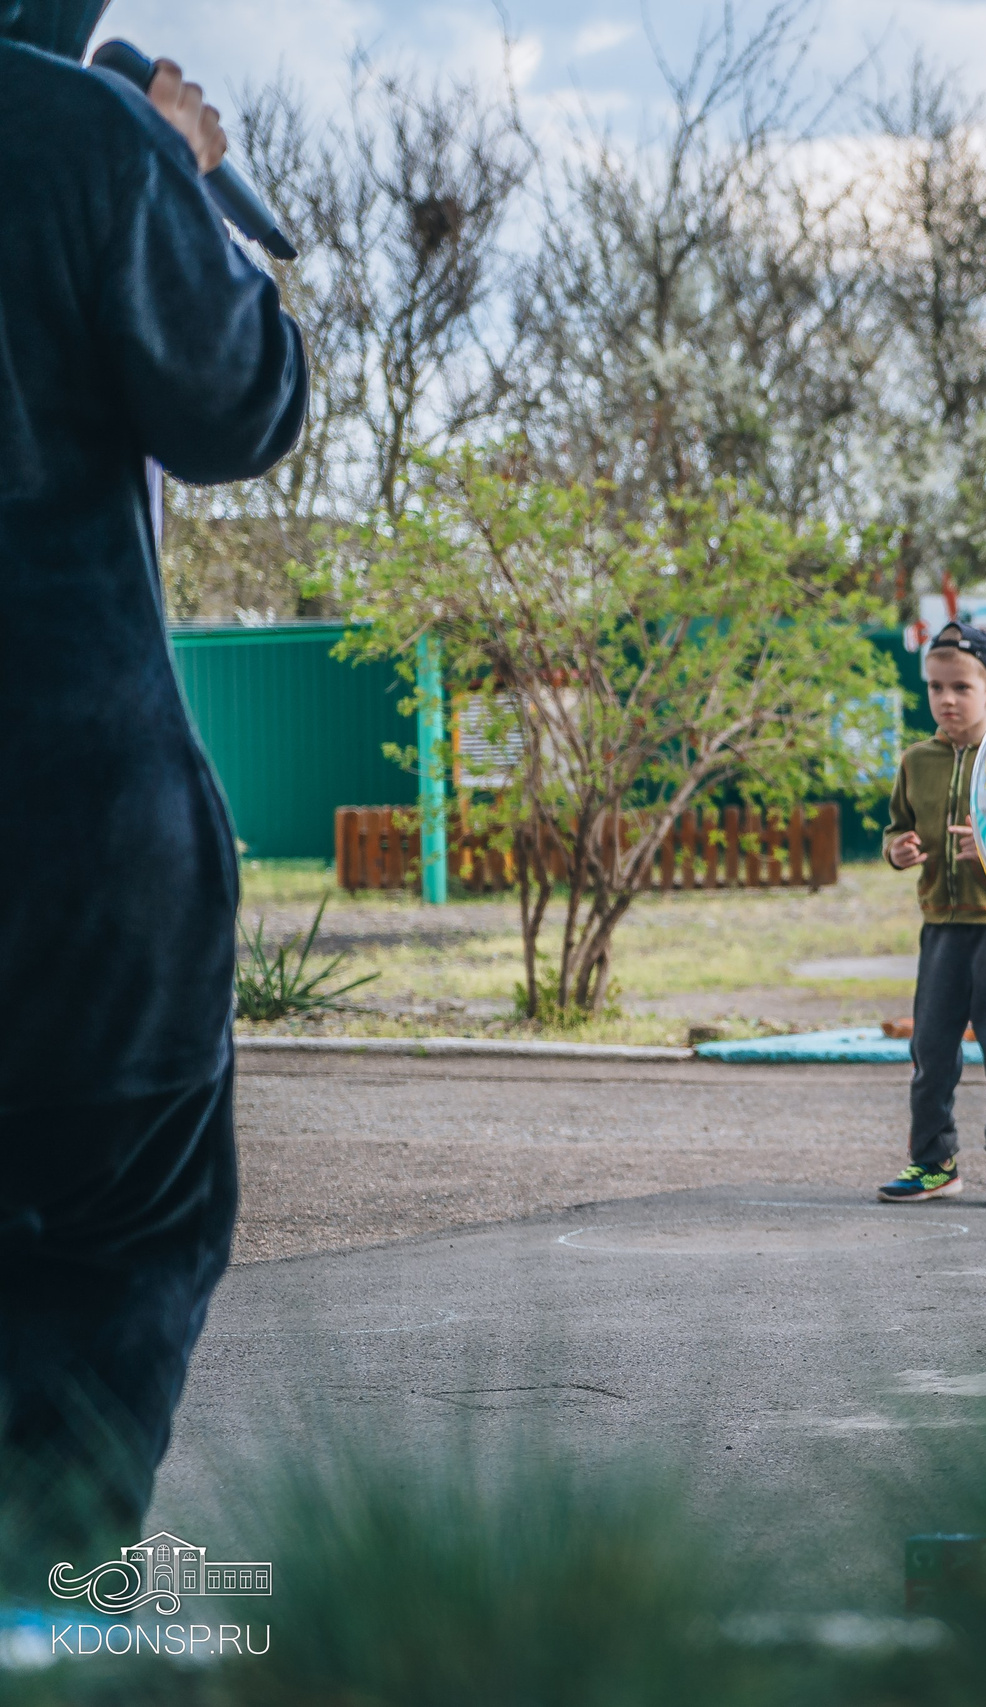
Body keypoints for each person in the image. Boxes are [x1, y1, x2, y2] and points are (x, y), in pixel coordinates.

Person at [1, 12, 310, 1556]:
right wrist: (174, 174)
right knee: (102, 1294)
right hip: (72, 867)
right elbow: (236, 404)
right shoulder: (75, 137)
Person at [880, 623, 986, 1209]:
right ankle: (932, 1163)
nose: (946, 699)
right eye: (936, 687)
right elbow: (898, 826)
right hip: (940, 929)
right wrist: (896, 850)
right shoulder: (915, 761)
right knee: (932, 1052)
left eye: (961, 688)